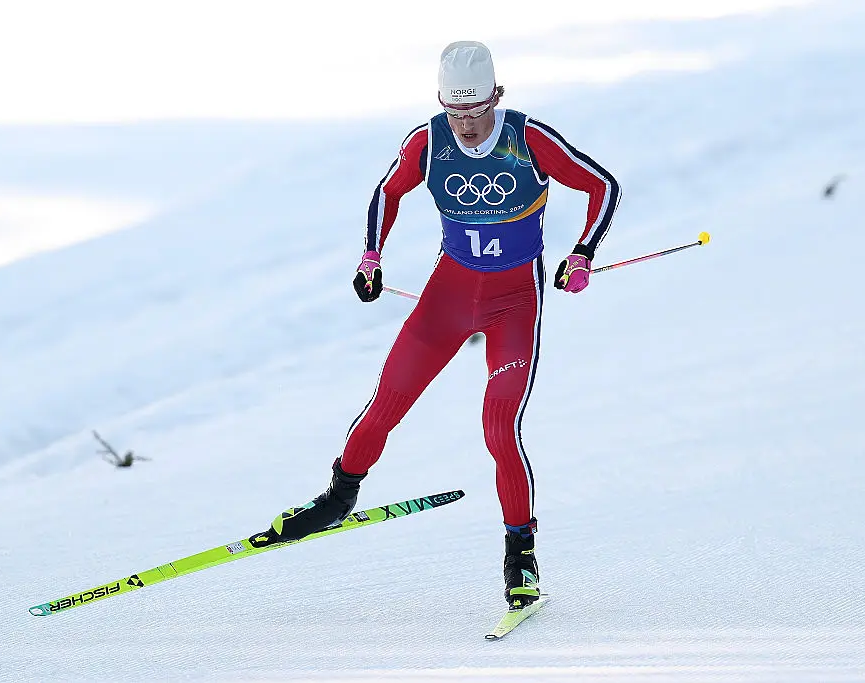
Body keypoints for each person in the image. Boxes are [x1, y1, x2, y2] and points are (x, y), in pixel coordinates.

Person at [258, 41, 620, 610]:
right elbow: (387, 192)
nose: (467, 125)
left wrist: (582, 254)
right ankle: (337, 497)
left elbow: (602, 186)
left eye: (477, 111)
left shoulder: (529, 139)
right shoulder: (428, 142)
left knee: (499, 428)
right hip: (448, 297)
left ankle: (520, 555)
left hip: (512, 303)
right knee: (387, 400)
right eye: (456, 112)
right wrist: (371, 258)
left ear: (497, 97)